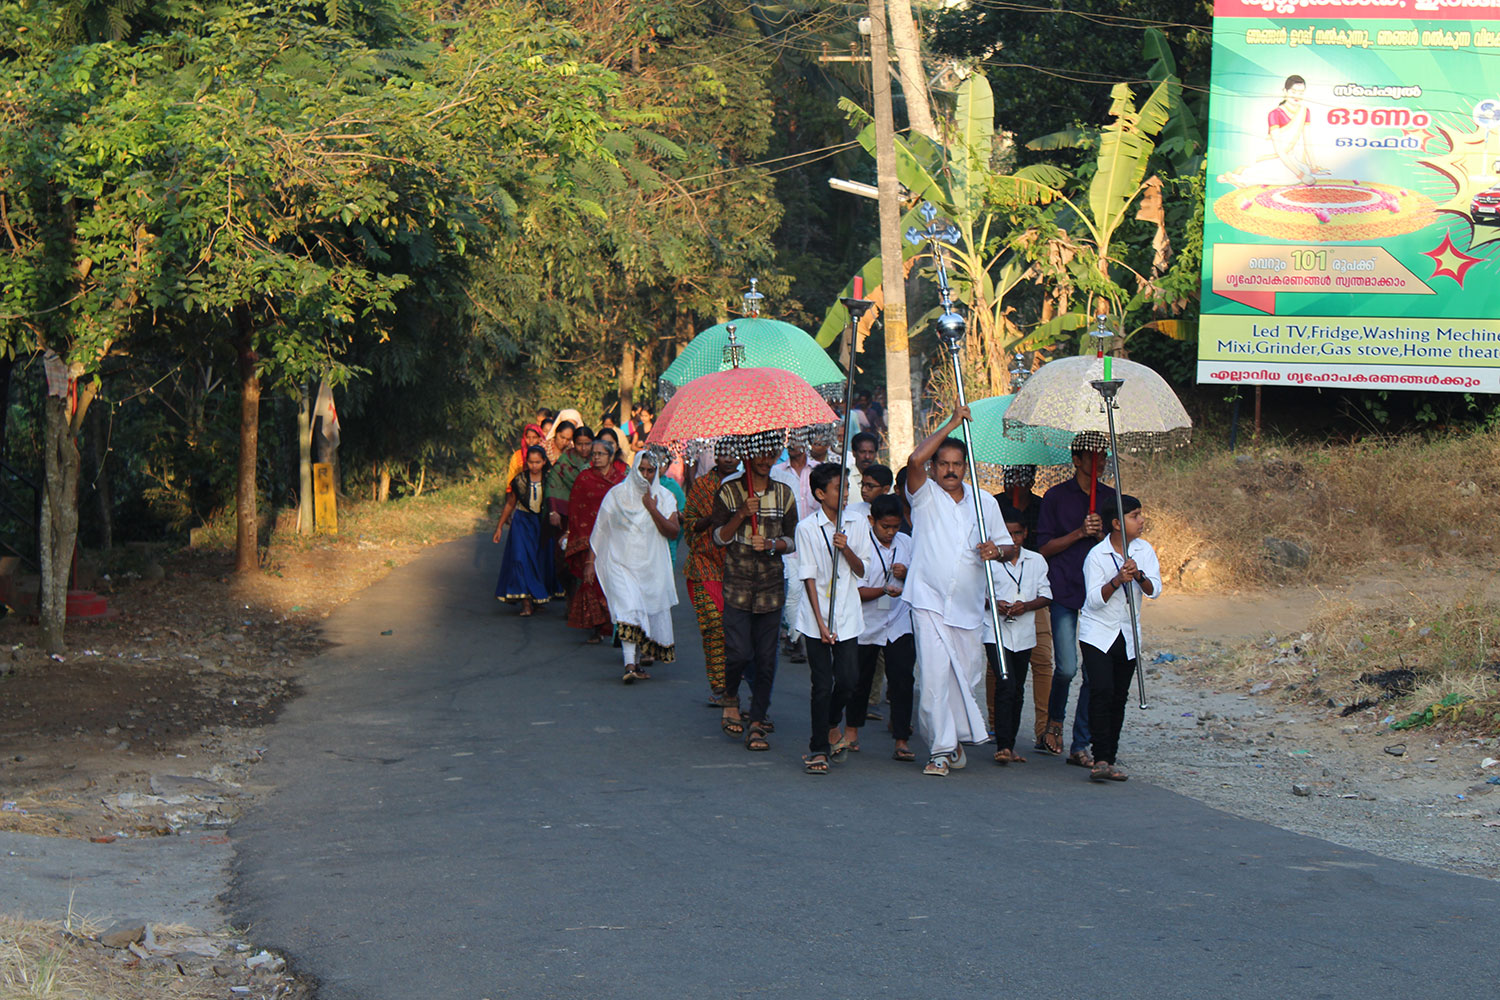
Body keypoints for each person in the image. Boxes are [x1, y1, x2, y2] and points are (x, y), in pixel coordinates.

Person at [904, 405, 1013, 777]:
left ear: (966, 466)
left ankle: (953, 743)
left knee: (965, 677)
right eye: (943, 463)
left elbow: (1009, 547)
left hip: (968, 607)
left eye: (957, 464)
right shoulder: (924, 495)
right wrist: (951, 423)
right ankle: (940, 750)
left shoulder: (986, 502)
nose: (950, 470)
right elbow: (913, 460)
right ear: (935, 467)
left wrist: (996, 551)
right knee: (934, 677)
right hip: (928, 600)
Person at [711, 449, 799, 751]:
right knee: (737, 652)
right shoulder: (729, 491)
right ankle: (732, 696)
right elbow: (719, 537)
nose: (764, 460)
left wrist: (772, 544)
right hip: (737, 584)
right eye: (758, 454)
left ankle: (758, 720)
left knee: (765, 658)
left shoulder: (784, 493)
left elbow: (792, 540)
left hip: (771, 587)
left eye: (769, 454)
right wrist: (741, 514)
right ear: (747, 457)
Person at [794, 463, 870, 775]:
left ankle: (830, 721)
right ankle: (818, 748)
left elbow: (862, 569)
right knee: (822, 683)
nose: (846, 494)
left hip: (848, 614)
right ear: (820, 494)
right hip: (816, 616)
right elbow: (808, 578)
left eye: (847, 487)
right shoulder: (807, 528)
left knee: (849, 679)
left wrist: (846, 548)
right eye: (840, 489)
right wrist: (821, 624)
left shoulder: (857, 523)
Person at [1036, 443, 1108, 767]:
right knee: (1066, 667)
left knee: (1094, 672)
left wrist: (1104, 533)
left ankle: (1081, 743)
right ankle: (1054, 721)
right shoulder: (1055, 497)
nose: (1100, 461)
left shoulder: (1109, 498)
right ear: (1076, 459)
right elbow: (1044, 548)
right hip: (1063, 588)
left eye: (1104, 455)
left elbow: (1119, 545)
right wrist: (1080, 532)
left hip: (1098, 594)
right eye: (1093, 455)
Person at [1080, 493, 1160, 782]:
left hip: (1127, 632)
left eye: (1140, 514)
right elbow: (1093, 601)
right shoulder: (1097, 556)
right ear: (1116, 523)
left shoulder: (1144, 550)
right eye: (1134, 516)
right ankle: (1099, 756)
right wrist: (1117, 581)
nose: (1141, 520)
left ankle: (1109, 756)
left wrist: (1137, 575)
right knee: (1101, 690)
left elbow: (1154, 590)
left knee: (1118, 696)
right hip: (1098, 632)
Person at [592, 449, 681, 684]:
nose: (644, 475)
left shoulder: (665, 497)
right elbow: (601, 529)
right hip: (619, 563)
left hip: (651, 567)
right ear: (633, 469)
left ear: (657, 472)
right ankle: (629, 664)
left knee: (645, 611)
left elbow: (673, 532)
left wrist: (652, 507)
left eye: (650, 470)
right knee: (629, 610)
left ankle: (637, 663)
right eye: (640, 470)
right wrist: (591, 562)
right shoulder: (616, 495)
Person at [984, 506, 1052, 765]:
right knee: (1005, 683)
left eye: (1018, 533)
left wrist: (1027, 606)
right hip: (996, 630)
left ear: (1025, 534)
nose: (1013, 539)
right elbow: (979, 595)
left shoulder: (1036, 561)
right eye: (1008, 534)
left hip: (1024, 630)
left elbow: (1047, 594)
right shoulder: (989, 561)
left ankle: (1009, 744)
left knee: (1018, 689)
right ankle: (1002, 744)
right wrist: (995, 603)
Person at [997, 464, 1054, 755]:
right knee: (1000, 673)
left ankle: (1043, 730)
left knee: (1040, 661)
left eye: (1024, 477)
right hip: (999, 601)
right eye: (1013, 476)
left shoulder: (1041, 506)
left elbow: (1042, 547)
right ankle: (999, 730)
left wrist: (1028, 603)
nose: (1018, 482)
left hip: (1030, 591)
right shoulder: (993, 504)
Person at [855, 494, 915, 761]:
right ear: (872, 521)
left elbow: (924, 580)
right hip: (867, 622)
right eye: (885, 527)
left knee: (902, 680)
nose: (891, 532)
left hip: (899, 622)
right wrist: (882, 590)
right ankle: (851, 731)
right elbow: (853, 591)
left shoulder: (908, 544)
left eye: (895, 526)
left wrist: (908, 574)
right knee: (860, 681)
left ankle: (901, 738)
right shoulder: (861, 545)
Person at [684, 450, 739, 709]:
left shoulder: (747, 484)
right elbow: (689, 524)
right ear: (715, 457)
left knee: (738, 632)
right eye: (724, 454)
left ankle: (735, 685)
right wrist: (711, 519)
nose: (729, 459)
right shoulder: (702, 485)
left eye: (734, 454)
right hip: (705, 563)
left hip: (739, 565)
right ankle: (719, 684)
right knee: (714, 624)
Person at [565, 438, 626, 642]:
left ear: (610, 456)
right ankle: (597, 627)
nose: (596, 458)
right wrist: (579, 537)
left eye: (601, 454)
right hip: (589, 538)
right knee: (592, 581)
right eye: (594, 454)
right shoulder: (584, 478)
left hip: (616, 539)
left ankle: (617, 627)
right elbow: (575, 509)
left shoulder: (621, 479)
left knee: (615, 583)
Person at [1220, 74, 1325, 188]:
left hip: (1289, 157)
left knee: (1305, 171)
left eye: (1300, 93)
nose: (1297, 96)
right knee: (1291, 179)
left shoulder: (1304, 111)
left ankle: (1242, 171)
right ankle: (1238, 174)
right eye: (1293, 92)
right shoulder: (1275, 114)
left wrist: (1313, 166)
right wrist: (1301, 176)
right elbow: (1279, 150)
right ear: (1285, 91)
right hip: (1274, 155)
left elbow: (1307, 142)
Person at [493, 445, 561, 615]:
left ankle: (537, 597)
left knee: (539, 560)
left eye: (538, 462)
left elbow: (556, 501)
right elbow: (510, 503)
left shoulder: (550, 479)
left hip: (542, 523)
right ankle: (525, 603)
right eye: (531, 462)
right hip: (522, 523)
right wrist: (500, 526)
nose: (534, 466)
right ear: (527, 462)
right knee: (520, 559)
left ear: (544, 462)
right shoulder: (519, 481)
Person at [771, 441, 817, 665]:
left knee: (812, 591)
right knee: (793, 593)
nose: (794, 444)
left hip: (813, 544)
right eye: (790, 439)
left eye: (800, 438)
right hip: (786, 543)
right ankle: (796, 638)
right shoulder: (776, 473)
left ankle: (804, 635)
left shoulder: (819, 471)